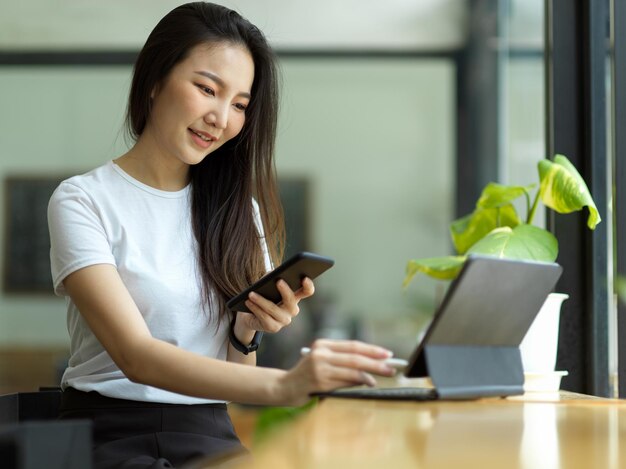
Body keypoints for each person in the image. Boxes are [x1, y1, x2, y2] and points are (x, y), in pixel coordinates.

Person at [47, 2, 396, 468]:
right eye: (207, 89)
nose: (220, 117)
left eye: (239, 105)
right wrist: (285, 385)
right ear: (154, 80)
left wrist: (247, 330)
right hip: (111, 437)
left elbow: (235, 373)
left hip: (211, 432)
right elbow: (137, 357)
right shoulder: (82, 201)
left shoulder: (237, 210)